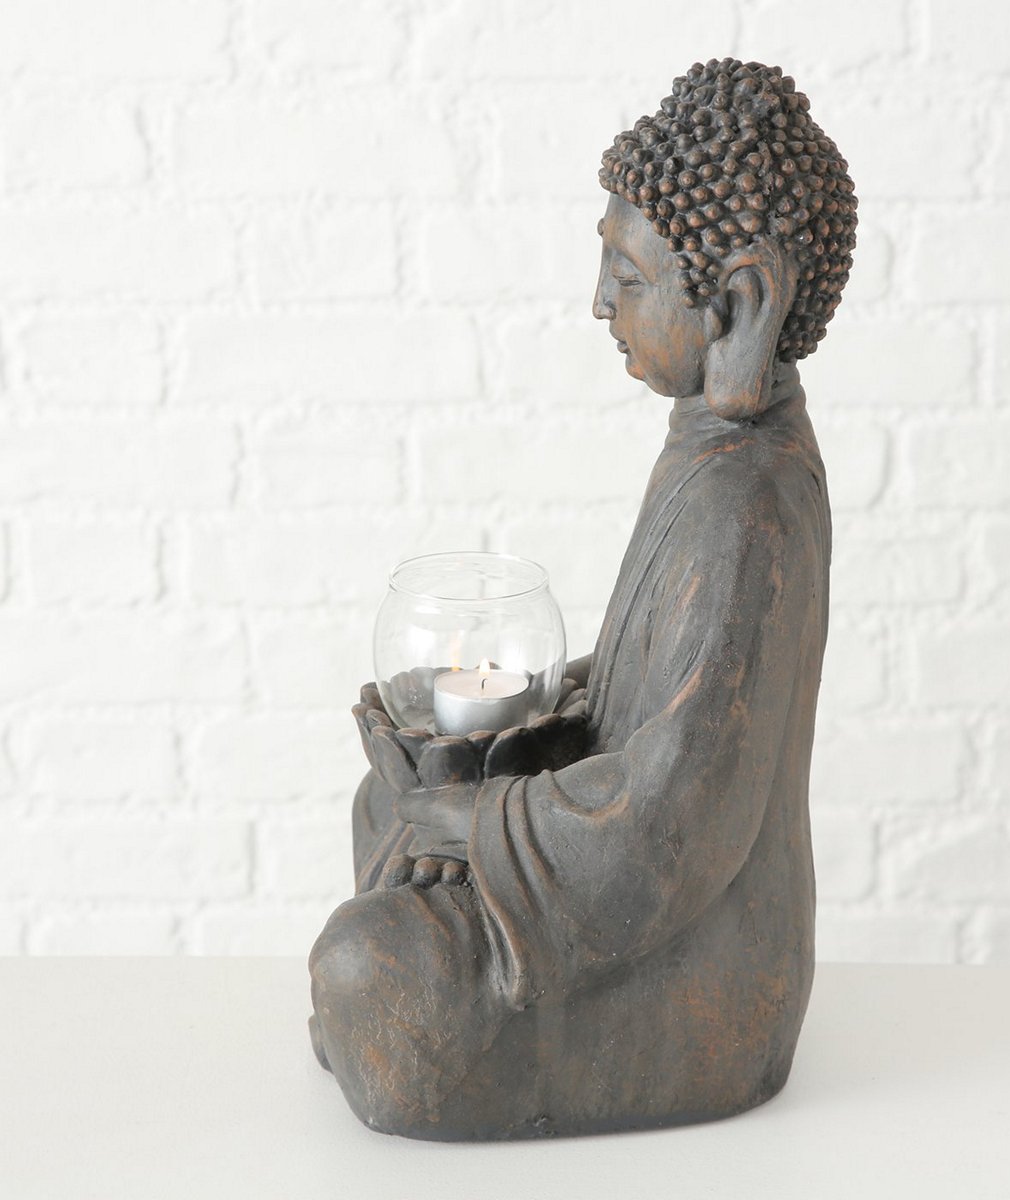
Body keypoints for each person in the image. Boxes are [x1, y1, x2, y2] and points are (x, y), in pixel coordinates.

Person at [309, 57, 855, 1140]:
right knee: (387, 799)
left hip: (706, 967)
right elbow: (647, 687)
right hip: (627, 881)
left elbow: (680, 816)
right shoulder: (710, 448)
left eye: (630, 276)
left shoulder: (747, 498)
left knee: (369, 964)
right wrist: (516, 722)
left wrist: (481, 822)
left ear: (741, 304)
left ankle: (392, 1026)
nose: (600, 301)